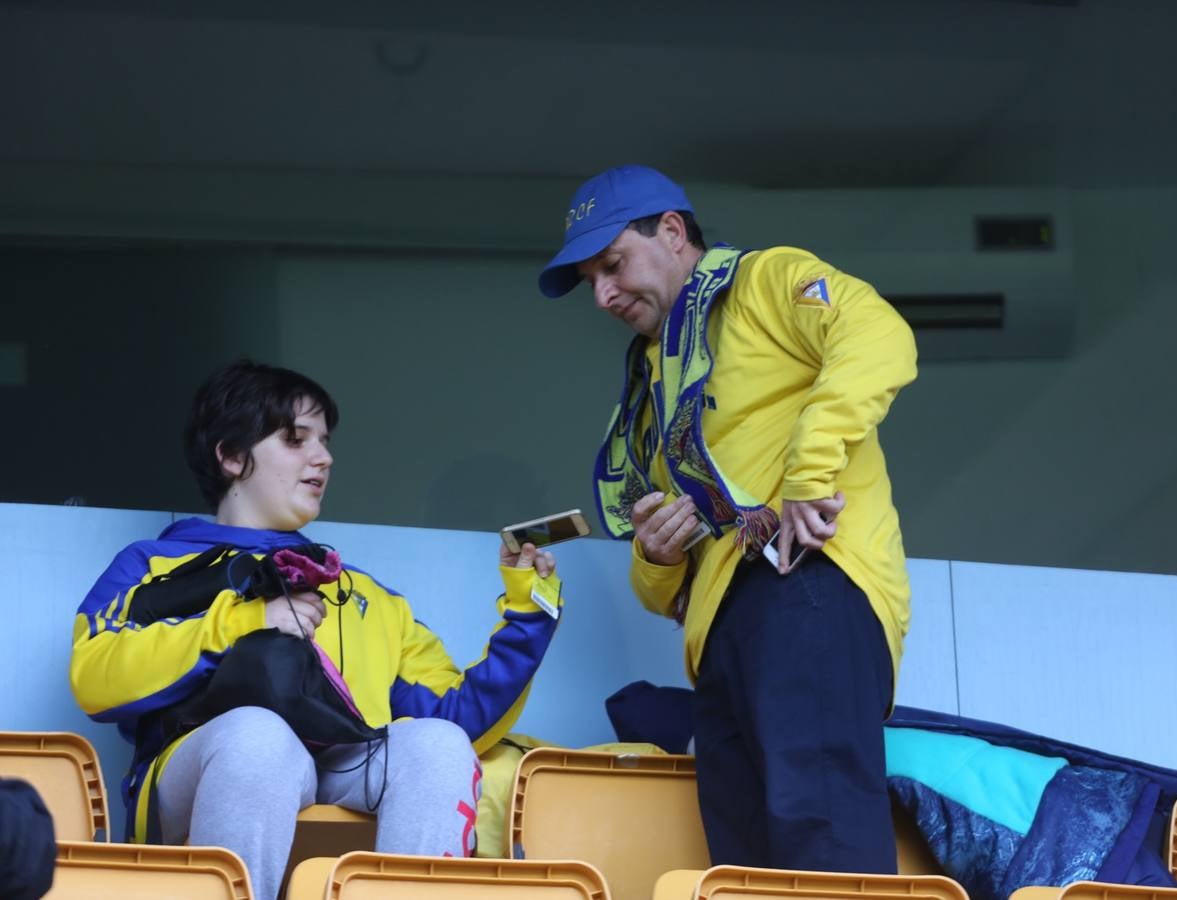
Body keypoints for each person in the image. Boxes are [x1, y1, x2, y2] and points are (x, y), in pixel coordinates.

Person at [538, 165, 917, 873]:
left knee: (824, 841)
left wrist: (807, 474)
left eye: (613, 266)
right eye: (591, 280)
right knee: (746, 870)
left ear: (674, 233)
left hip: (808, 583)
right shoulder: (652, 385)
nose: (603, 295)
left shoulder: (764, 281)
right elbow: (661, 598)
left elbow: (879, 335)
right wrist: (656, 554)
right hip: (719, 642)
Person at [69, 360, 563, 900]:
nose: (323, 458)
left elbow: (457, 716)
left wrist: (529, 610)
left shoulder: (366, 594)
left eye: (324, 442)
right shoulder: (152, 563)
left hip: (343, 765)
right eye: (295, 439)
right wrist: (242, 624)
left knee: (438, 744)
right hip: (201, 772)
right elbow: (95, 677)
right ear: (232, 456)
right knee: (261, 737)